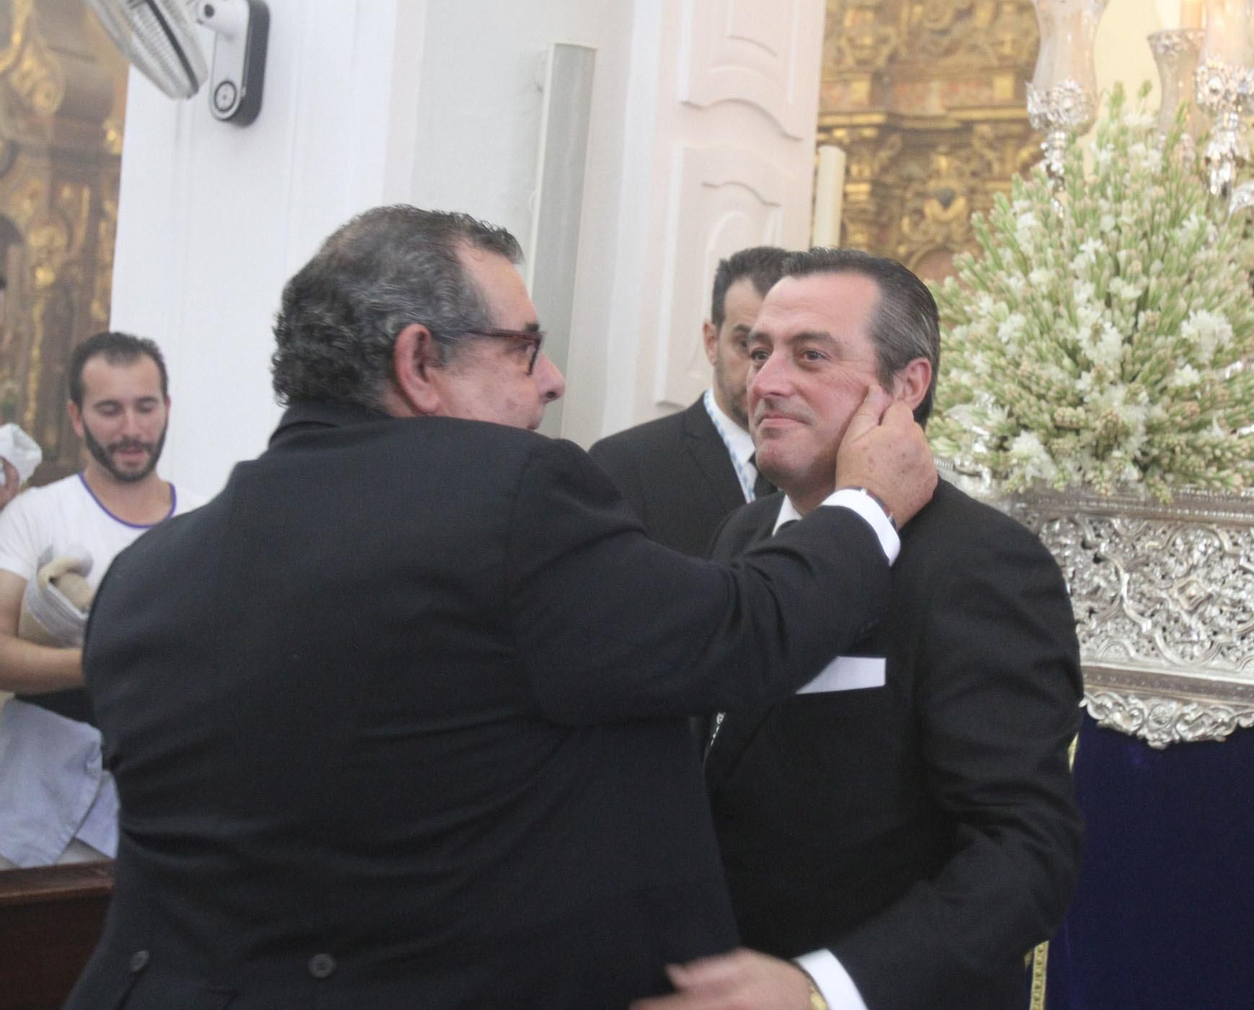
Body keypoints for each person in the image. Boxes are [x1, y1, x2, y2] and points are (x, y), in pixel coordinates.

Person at [66, 207, 936, 1009]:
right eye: (524, 349)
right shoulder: (506, 501)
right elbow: (745, 630)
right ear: (418, 363)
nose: (553, 380)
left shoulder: (144, 577)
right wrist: (866, 506)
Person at [640, 249, 1084, 1010]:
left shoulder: (981, 563)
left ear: (907, 386)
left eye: (810, 355)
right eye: (758, 351)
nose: (765, 382)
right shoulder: (742, 532)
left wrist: (824, 987)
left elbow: (1024, 853)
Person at [0, 331, 199, 869]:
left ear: (167, 408)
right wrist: (102, 662)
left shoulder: (209, 524)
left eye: (145, 407)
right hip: (37, 812)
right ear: (76, 416)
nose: (131, 429)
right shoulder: (34, 515)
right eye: (109, 410)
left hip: (165, 810)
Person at [591, 246, 788, 555]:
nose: (766, 376)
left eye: (792, 351)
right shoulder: (626, 464)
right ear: (711, 342)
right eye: (749, 347)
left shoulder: (825, 469)